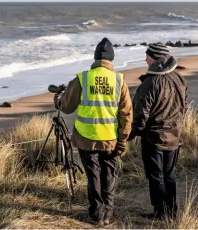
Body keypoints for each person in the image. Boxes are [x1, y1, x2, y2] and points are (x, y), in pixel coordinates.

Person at [54, 37, 133, 226]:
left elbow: (66, 107)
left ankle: (97, 215)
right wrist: (123, 140)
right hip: (111, 138)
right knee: (109, 175)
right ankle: (107, 214)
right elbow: (127, 114)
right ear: (111, 59)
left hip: (86, 138)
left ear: (96, 57)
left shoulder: (83, 78)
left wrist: (58, 98)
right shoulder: (119, 80)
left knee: (94, 176)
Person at [128, 43, 187, 219]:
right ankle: (172, 210)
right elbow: (183, 104)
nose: (145, 59)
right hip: (175, 135)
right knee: (169, 175)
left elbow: (141, 113)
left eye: (147, 56)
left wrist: (132, 133)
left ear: (155, 58)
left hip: (154, 137)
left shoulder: (151, 81)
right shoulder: (179, 78)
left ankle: (161, 212)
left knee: (156, 175)